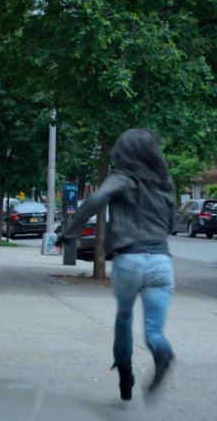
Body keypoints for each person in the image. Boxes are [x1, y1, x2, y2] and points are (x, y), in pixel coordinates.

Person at [55, 128, 176, 401]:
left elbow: (97, 199)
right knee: (155, 330)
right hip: (160, 261)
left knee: (124, 317)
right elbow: (170, 223)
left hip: (130, 260)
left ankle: (125, 375)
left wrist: (69, 232)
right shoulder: (165, 181)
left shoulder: (122, 178)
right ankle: (162, 351)